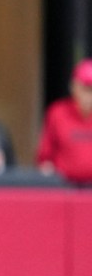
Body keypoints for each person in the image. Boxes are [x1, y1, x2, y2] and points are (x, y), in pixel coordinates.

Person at [37, 59, 92, 187]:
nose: (89, 95)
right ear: (74, 87)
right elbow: (45, 157)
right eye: (85, 88)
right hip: (64, 187)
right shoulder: (58, 113)